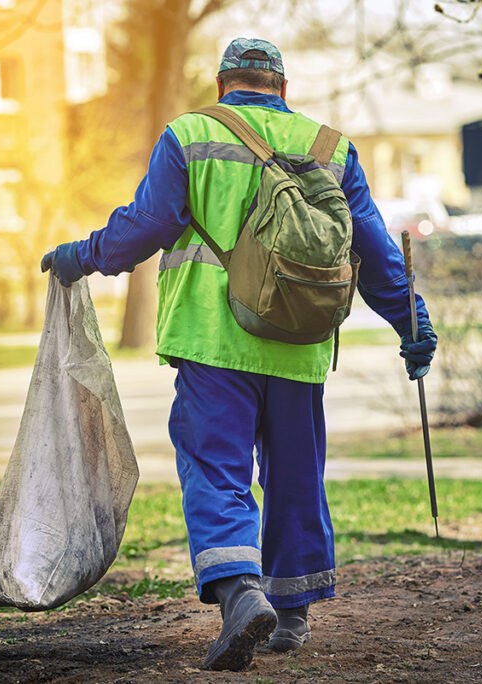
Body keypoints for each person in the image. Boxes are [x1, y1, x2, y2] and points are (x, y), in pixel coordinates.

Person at [41, 37, 437, 672]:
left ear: (224, 84)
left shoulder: (191, 135)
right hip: (300, 345)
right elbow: (376, 250)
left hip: (213, 341)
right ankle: (294, 612)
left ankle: (241, 594)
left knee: (215, 468)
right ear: (283, 87)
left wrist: (82, 256)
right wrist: (411, 324)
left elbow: (149, 223)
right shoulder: (330, 146)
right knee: (295, 475)